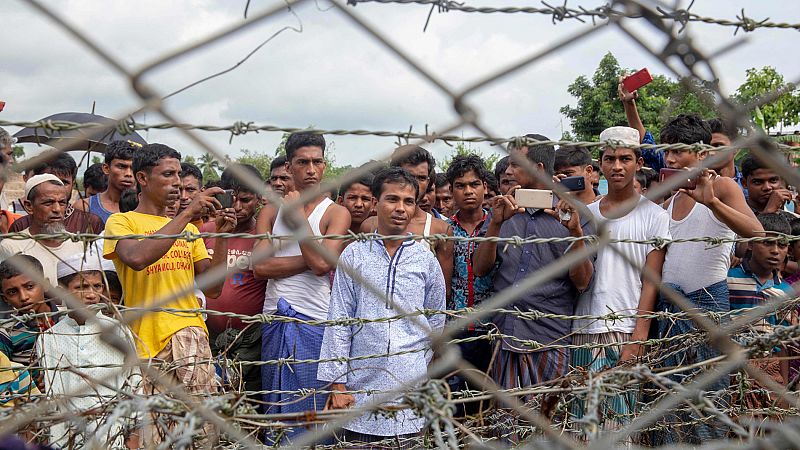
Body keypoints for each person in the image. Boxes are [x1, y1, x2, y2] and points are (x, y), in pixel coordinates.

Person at [103, 143, 235, 445]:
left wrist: (223, 236)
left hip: (189, 335)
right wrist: (187, 213)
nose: (177, 182)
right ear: (142, 179)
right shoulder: (123, 222)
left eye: (179, 174)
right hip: (146, 341)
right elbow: (136, 259)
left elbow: (213, 287)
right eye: (167, 174)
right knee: (155, 434)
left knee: (201, 433)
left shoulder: (190, 231)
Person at [473, 134, 594, 442]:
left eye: (516, 163)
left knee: (546, 427)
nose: (508, 170)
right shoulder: (504, 211)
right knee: (505, 425)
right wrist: (497, 225)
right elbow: (481, 267)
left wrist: (575, 234)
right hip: (506, 333)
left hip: (548, 336)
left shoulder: (575, 214)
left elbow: (582, 282)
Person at [318, 167, 445, 446]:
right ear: (376, 204)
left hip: (410, 390)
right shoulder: (354, 255)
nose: (400, 208)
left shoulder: (425, 261)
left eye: (408, 201)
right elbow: (339, 319)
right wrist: (337, 384)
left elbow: (436, 323)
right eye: (392, 199)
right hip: (359, 389)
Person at [656, 114, 762, 443]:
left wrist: (713, 202)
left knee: (707, 399)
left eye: (678, 151)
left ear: (701, 153)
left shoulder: (723, 186)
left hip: (707, 303)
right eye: (667, 151)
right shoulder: (671, 197)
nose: (670, 158)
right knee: (672, 402)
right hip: (671, 309)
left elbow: (756, 233)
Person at [252, 132, 351, 442]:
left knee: (311, 416)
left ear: (325, 166)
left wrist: (299, 219)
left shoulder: (336, 212)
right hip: (275, 320)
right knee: (277, 411)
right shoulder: (269, 212)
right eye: (303, 162)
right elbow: (260, 268)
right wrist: (313, 257)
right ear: (289, 166)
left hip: (316, 324)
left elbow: (324, 266)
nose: (311, 169)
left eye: (317, 162)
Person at [570, 127, 670, 431]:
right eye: (610, 159)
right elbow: (577, 278)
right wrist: (574, 231)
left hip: (625, 330)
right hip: (584, 328)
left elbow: (651, 280)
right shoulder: (585, 214)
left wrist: (638, 338)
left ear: (638, 163)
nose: (617, 166)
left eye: (625, 158)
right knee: (581, 426)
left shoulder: (654, 216)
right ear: (599, 164)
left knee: (620, 425)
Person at [38, 252, 140, 448]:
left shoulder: (119, 331)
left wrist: (133, 435)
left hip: (112, 435)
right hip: (65, 437)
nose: (92, 294)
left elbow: (134, 384)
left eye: (98, 286)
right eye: (81, 287)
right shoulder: (49, 338)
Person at [201, 164, 268, 397]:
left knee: (247, 401)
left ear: (259, 199)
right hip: (207, 336)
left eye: (246, 200)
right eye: (233, 199)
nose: (238, 207)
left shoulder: (263, 237)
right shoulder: (206, 232)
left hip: (249, 341)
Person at [361, 145, 454, 296]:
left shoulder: (440, 230)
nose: (416, 183)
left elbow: (442, 292)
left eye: (422, 178)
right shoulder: (371, 225)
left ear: (429, 181)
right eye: (409, 176)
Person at [443, 155, 495, 412]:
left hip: (495, 329)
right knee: (455, 405)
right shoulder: (444, 230)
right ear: (451, 190)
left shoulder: (500, 224)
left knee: (490, 405)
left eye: (474, 184)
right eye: (460, 186)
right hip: (455, 329)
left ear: (485, 186)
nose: (468, 191)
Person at [727, 213, 794, 409]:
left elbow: (782, 343)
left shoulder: (786, 292)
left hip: (769, 365)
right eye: (767, 243)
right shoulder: (730, 279)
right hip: (733, 364)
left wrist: (782, 385)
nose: (775, 251)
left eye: (781, 245)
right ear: (750, 244)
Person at [0, 175, 86, 290]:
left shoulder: (78, 242)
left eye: (62, 203)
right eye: (48, 203)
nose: (57, 209)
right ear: (29, 206)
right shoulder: (12, 247)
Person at [10, 153, 104, 234]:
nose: (57, 188)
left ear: (73, 184)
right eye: (51, 181)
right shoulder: (21, 225)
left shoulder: (91, 223)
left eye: (64, 182)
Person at [0, 255, 56, 367]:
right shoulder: (6, 333)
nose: (24, 297)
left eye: (29, 286)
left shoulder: (69, 318)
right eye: (12, 292)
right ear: (5, 298)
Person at [75, 140, 137, 223]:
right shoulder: (84, 207)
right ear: (106, 168)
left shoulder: (147, 209)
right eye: (121, 166)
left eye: (133, 168)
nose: (128, 174)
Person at [179, 162, 205, 228]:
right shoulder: (161, 226)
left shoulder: (214, 228)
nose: (183, 197)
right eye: (179, 189)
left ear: (201, 191)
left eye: (190, 189)